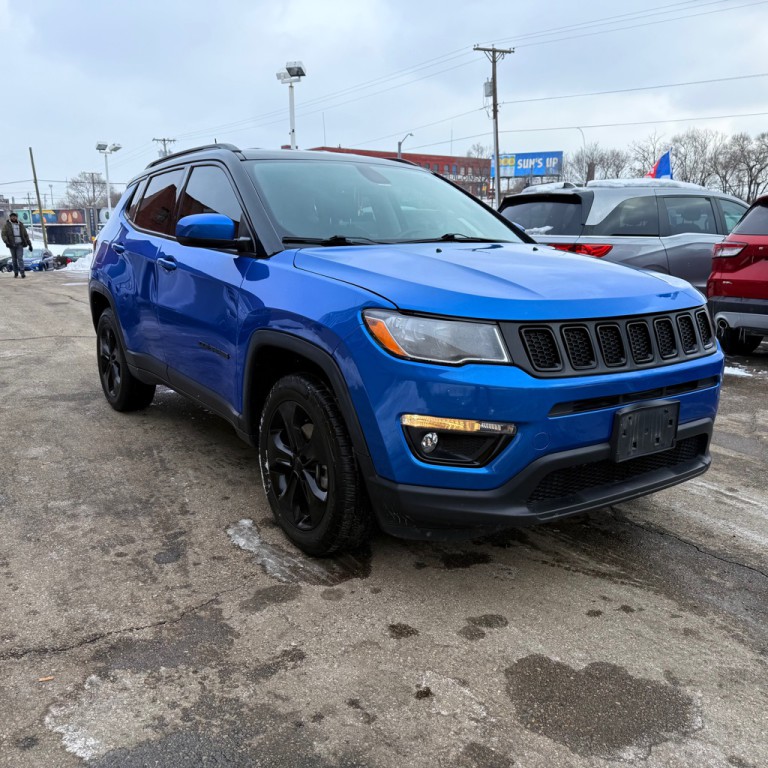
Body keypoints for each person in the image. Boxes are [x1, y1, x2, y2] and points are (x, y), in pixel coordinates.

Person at [1, 212, 33, 278]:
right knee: (14, 259)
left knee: (20, 258)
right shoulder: (7, 225)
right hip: (11, 244)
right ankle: (16, 272)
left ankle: (22, 272)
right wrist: (6, 242)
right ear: (10, 217)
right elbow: (3, 234)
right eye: (12, 216)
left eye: (15, 216)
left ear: (16, 217)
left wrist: (29, 244)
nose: (13, 218)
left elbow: (25, 235)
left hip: (20, 244)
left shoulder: (20, 225)